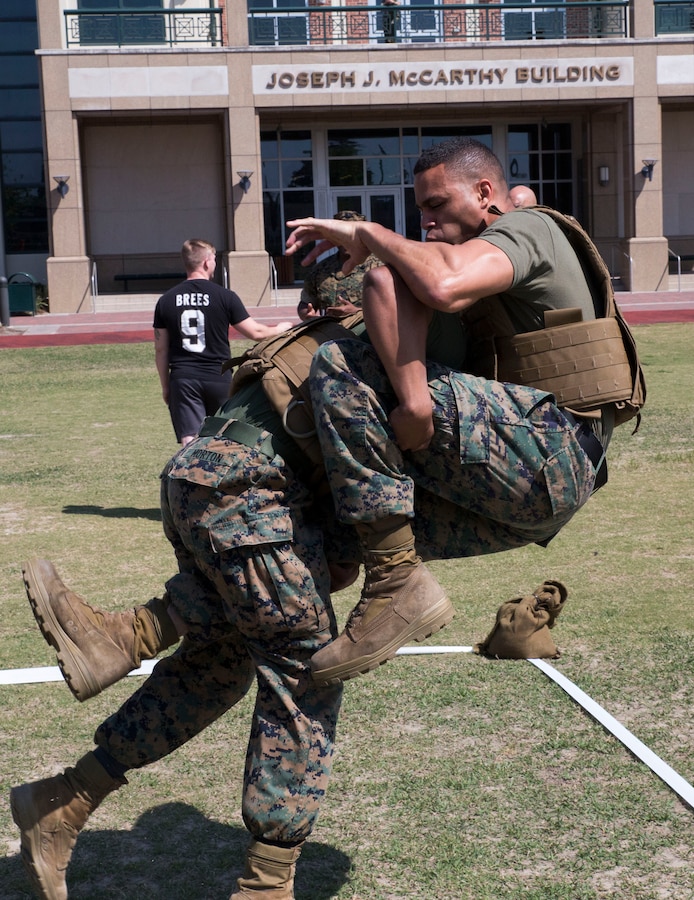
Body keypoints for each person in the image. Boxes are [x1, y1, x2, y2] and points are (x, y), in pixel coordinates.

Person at [9, 368, 359, 899]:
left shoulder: (328, 336)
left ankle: (64, 797)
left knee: (217, 664)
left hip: (204, 473)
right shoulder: (387, 341)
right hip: (251, 492)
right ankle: (265, 887)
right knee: (307, 668)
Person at [285, 137, 612, 685]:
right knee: (325, 530)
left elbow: (421, 279)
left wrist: (413, 402)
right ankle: (161, 628)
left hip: (553, 450)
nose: (427, 222)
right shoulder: (483, 267)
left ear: (486, 192)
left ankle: (396, 585)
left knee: (340, 363)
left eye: (436, 206)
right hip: (527, 487)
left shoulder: (528, 228)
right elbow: (406, 289)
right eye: (422, 212)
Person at [154, 238, 293, 445]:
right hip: (218, 376)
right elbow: (255, 332)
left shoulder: (166, 300)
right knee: (225, 437)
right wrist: (281, 328)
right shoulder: (225, 296)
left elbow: (161, 350)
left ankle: (190, 475)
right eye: (215, 259)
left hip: (183, 378)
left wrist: (166, 386)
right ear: (207, 262)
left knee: (190, 439)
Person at [296, 211, 381, 321]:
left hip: (367, 334)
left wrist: (357, 312)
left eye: (351, 235)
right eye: (341, 235)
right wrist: (307, 314)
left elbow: (395, 309)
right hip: (332, 333)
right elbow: (306, 302)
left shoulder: (380, 268)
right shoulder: (320, 270)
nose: (346, 240)